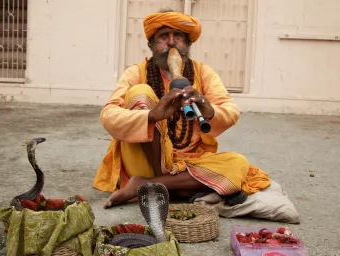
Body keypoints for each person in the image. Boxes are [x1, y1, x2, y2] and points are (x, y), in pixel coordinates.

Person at [93, 10, 271, 209]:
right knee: (140, 92)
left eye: (178, 36)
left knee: (239, 164)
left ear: (187, 44)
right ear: (151, 45)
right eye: (163, 36)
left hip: (188, 160)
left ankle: (146, 185)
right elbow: (108, 115)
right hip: (144, 162)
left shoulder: (203, 72)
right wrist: (152, 115)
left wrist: (207, 109)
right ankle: (184, 186)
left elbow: (230, 110)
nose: (171, 43)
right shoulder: (136, 72)